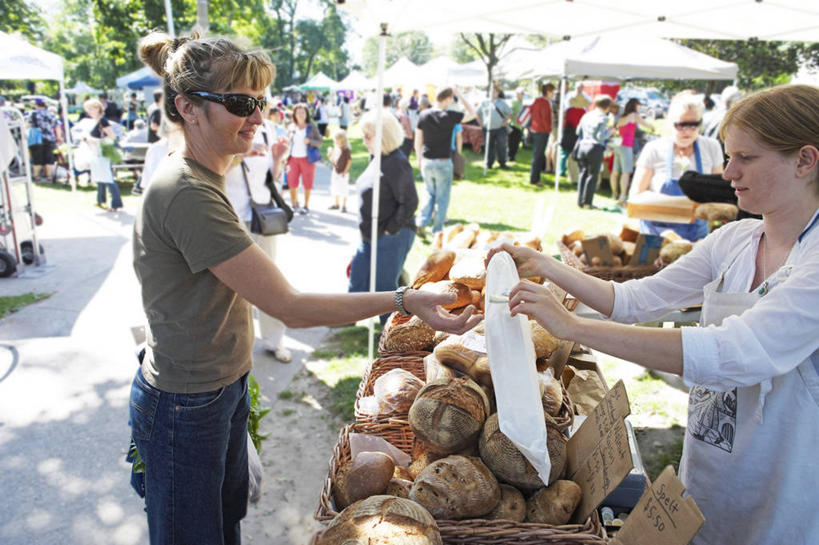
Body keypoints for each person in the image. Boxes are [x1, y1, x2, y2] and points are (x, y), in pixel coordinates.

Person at [132, 31, 481, 545]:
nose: (256, 117)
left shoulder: (205, 178)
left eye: (259, 102)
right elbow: (289, 308)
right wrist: (406, 299)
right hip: (188, 402)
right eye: (238, 103)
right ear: (187, 107)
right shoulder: (187, 191)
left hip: (216, 388)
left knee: (221, 527)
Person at [490, 83, 819, 545]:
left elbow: (735, 352)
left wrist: (574, 326)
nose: (728, 172)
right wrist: (549, 266)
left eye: (746, 158)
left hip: (783, 493)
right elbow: (634, 300)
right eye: (728, 156)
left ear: (805, 160)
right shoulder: (736, 241)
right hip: (707, 475)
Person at [223, 110, 292, 364]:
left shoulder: (265, 129)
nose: (256, 111)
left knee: (269, 281)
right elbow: (214, 171)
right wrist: (241, 155)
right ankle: (234, 344)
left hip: (262, 215)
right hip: (233, 215)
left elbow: (272, 178)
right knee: (232, 286)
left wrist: (277, 159)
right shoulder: (224, 125)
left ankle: (275, 341)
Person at [349, 110, 419, 324]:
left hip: (392, 235)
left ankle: (390, 331)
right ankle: (347, 316)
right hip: (371, 235)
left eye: (368, 136)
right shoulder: (378, 158)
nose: (364, 141)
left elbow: (410, 201)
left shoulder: (397, 162)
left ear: (383, 136)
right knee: (358, 275)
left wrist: (391, 229)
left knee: (384, 287)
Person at [631, 91, 723, 240]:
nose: (687, 131)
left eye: (694, 125)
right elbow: (635, 196)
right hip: (656, 234)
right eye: (681, 125)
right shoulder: (654, 148)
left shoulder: (712, 147)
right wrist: (679, 206)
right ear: (670, 122)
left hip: (695, 237)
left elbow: (718, 194)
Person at [415, 86, 478, 236]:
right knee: (442, 198)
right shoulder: (450, 116)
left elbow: (418, 141)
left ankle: (421, 222)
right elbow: (472, 113)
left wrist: (418, 159)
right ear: (448, 99)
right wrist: (460, 95)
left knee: (429, 193)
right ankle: (437, 230)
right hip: (443, 161)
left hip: (427, 160)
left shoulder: (423, 115)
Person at [78, 98, 123, 211]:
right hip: (97, 152)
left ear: (98, 108)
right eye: (88, 109)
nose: (90, 111)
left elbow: (112, 137)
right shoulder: (94, 121)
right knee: (101, 175)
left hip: (104, 152)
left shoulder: (102, 121)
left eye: (92, 108)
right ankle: (100, 199)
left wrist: (96, 141)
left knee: (107, 177)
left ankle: (115, 203)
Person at [611, 98, 654, 206]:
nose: (640, 108)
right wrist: (653, 128)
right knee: (626, 172)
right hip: (626, 146)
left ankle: (614, 193)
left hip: (618, 145)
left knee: (615, 171)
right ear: (635, 106)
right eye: (639, 106)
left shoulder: (621, 117)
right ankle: (623, 196)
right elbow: (646, 125)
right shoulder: (634, 115)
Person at [575, 94, 613, 209]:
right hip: (594, 147)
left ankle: (580, 201)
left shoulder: (586, 115)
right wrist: (609, 132)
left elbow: (578, 131)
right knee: (592, 176)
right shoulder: (603, 118)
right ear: (607, 107)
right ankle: (587, 203)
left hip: (583, 146)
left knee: (582, 174)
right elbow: (601, 136)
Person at [285, 102, 322, 214]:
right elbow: (287, 142)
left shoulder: (311, 127)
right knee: (292, 182)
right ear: (294, 114)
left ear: (307, 114)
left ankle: (306, 205)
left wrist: (310, 141)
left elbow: (319, 142)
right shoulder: (291, 127)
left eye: (303, 112)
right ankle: (293, 204)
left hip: (307, 159)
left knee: (307, 183)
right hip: (292, 159)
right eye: (298, 112)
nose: (301, 114)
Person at [478, 85, 512, 170]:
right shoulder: (484, 102)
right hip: (487, 129)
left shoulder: (502, 102)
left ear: (498, 93)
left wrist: (505, 121)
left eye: (495, 91)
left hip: (500, 128)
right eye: (492, 91)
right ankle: (489, 163)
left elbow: (510, 113)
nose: (493, 93)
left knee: (501, 145)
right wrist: (480, 123)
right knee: (489, 146)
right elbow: (477, 113)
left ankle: (502, 163)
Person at [27, 98, 60, 182]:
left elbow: (27, 125)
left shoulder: (33, 114)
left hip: (37, 139)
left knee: (37, 159)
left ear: (36, 105)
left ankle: (36, 177)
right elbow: (57, 126)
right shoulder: (50, 114)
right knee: (49, 158)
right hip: (49, 138)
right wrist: (59, 137)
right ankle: (49, 177)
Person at [529, 83, 555, 186]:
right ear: (548, 92)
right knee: (538, 156)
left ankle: (535, 177)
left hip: (535, 129)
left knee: (537, 155)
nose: (553, 94)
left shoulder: (537, 101)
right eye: (552, 92)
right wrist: (549, 129)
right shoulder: (545, 102)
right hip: (542, 131)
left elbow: (531, 111)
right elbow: (545, 118)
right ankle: (535, 179)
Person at [328, 129, 351, 212]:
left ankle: (344, 205)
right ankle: (336, 203)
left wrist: (345, 171)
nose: (336, 141)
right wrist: (330, 155)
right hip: (336, 171)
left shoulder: (346, 149)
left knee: (343, 189)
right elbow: (333, 160)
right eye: (335, 139)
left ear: (343, 139)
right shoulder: (336, 148)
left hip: (343, 173)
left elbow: (349, 161)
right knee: (335, 187)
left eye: (338, 139)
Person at [507, 88, 525, 162]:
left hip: (519, 125)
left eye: (523, 93)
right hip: (513, 124)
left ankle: (512, 156)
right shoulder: (514, 101)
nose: (522, 95)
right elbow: (510, 112)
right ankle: (510, 157)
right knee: (512, 142)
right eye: (521, 93)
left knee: (517, 142)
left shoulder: (521, 102)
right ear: (517, 94)